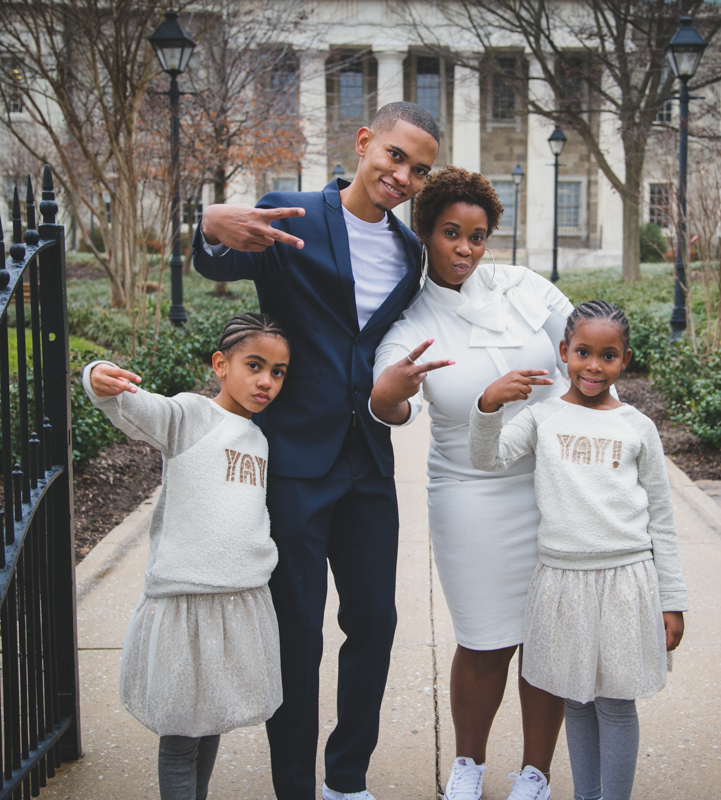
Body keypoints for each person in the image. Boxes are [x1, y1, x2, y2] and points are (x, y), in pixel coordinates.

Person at [192, 102, 441, 800]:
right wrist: (209, 222)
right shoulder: (291, 213)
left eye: (418, 170)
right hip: (295, 458)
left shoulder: (410, 251)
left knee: (375, 622)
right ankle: (294, 787)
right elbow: (220, 254)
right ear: (364, 143)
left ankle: (347, 779)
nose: (402, 176)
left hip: (369, 457)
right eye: (394, 156)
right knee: (296, 633)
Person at [370, 166, 573, 800]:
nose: (465, 248)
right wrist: (391, 394)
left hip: (551, 485)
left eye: (479, 236)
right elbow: (390, 403)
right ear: (425, 233)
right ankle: (468, 763)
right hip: (470, 491)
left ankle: (535, 771)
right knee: (484, 639)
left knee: (547, 636)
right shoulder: (408, 320)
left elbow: (591, 361)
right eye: (452, 234)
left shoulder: (525, 289)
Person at [467, 301, 689, 800]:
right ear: (564, 352)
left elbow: (663, 520)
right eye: (583, 353)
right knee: (576, 702)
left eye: (608, 356)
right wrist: (488, 405)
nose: (594, 366)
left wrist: (672, 599)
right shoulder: (542, 417)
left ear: (624, 360)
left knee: (614, 703)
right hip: (562, 579)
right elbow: (487, 458)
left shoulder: (638, 427)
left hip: (626, 580)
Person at [82, 313, 290, 800]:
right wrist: (97, 375)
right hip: (186, 599)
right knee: (180, 735)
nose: (266, 381)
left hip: (238, 597)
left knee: (210, 720)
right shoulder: (190, 416)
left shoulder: (259, 438)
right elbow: (135, 408)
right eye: (254, 365)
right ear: (221, 364)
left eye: (277, 372)